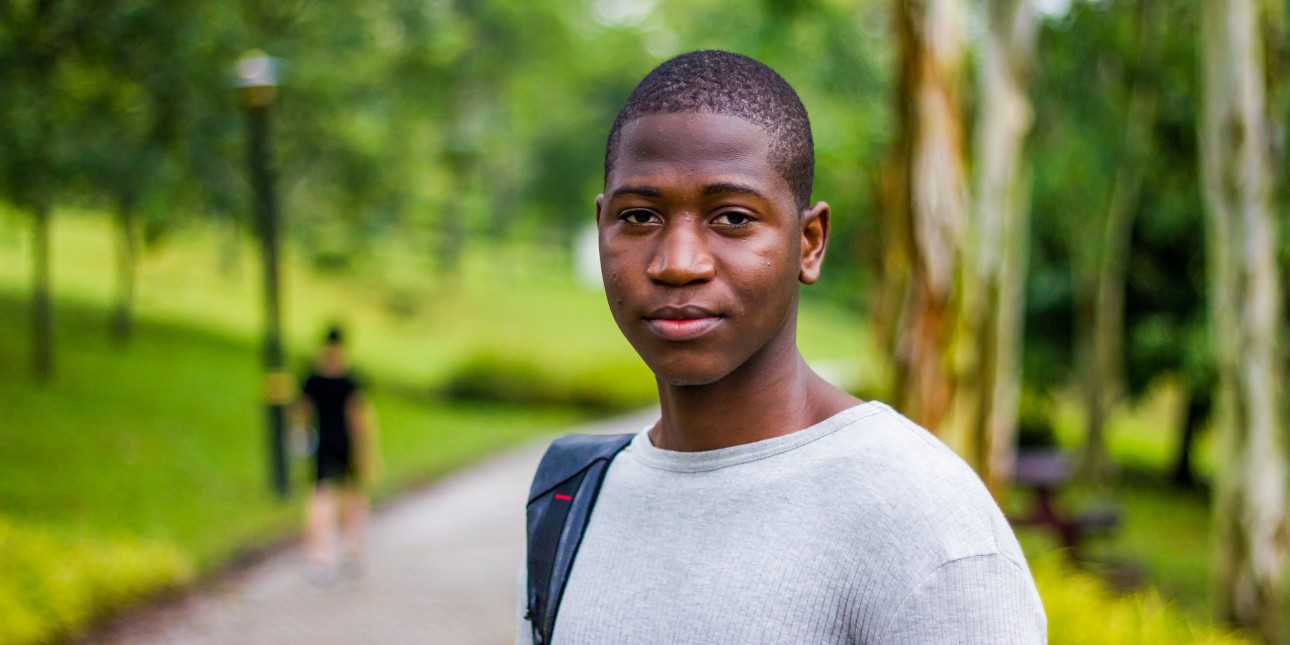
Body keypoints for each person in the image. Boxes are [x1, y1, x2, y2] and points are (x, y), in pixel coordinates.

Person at [518, 50, 1046, 643]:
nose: (677, 264)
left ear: (810, 242)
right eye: (640, 216)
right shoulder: (572, 500)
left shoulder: (924, 526)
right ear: (601, 229)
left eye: (733, 218)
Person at [296, 325, 381, 582]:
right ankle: (352, 550)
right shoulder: (349, 380)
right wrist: (368, 453)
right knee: (353, 496)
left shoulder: (313, 378)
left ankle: (319, 556)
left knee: (321, 497)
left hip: (322, 443)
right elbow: (359, 418)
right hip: (346, 444)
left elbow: (303, 412)